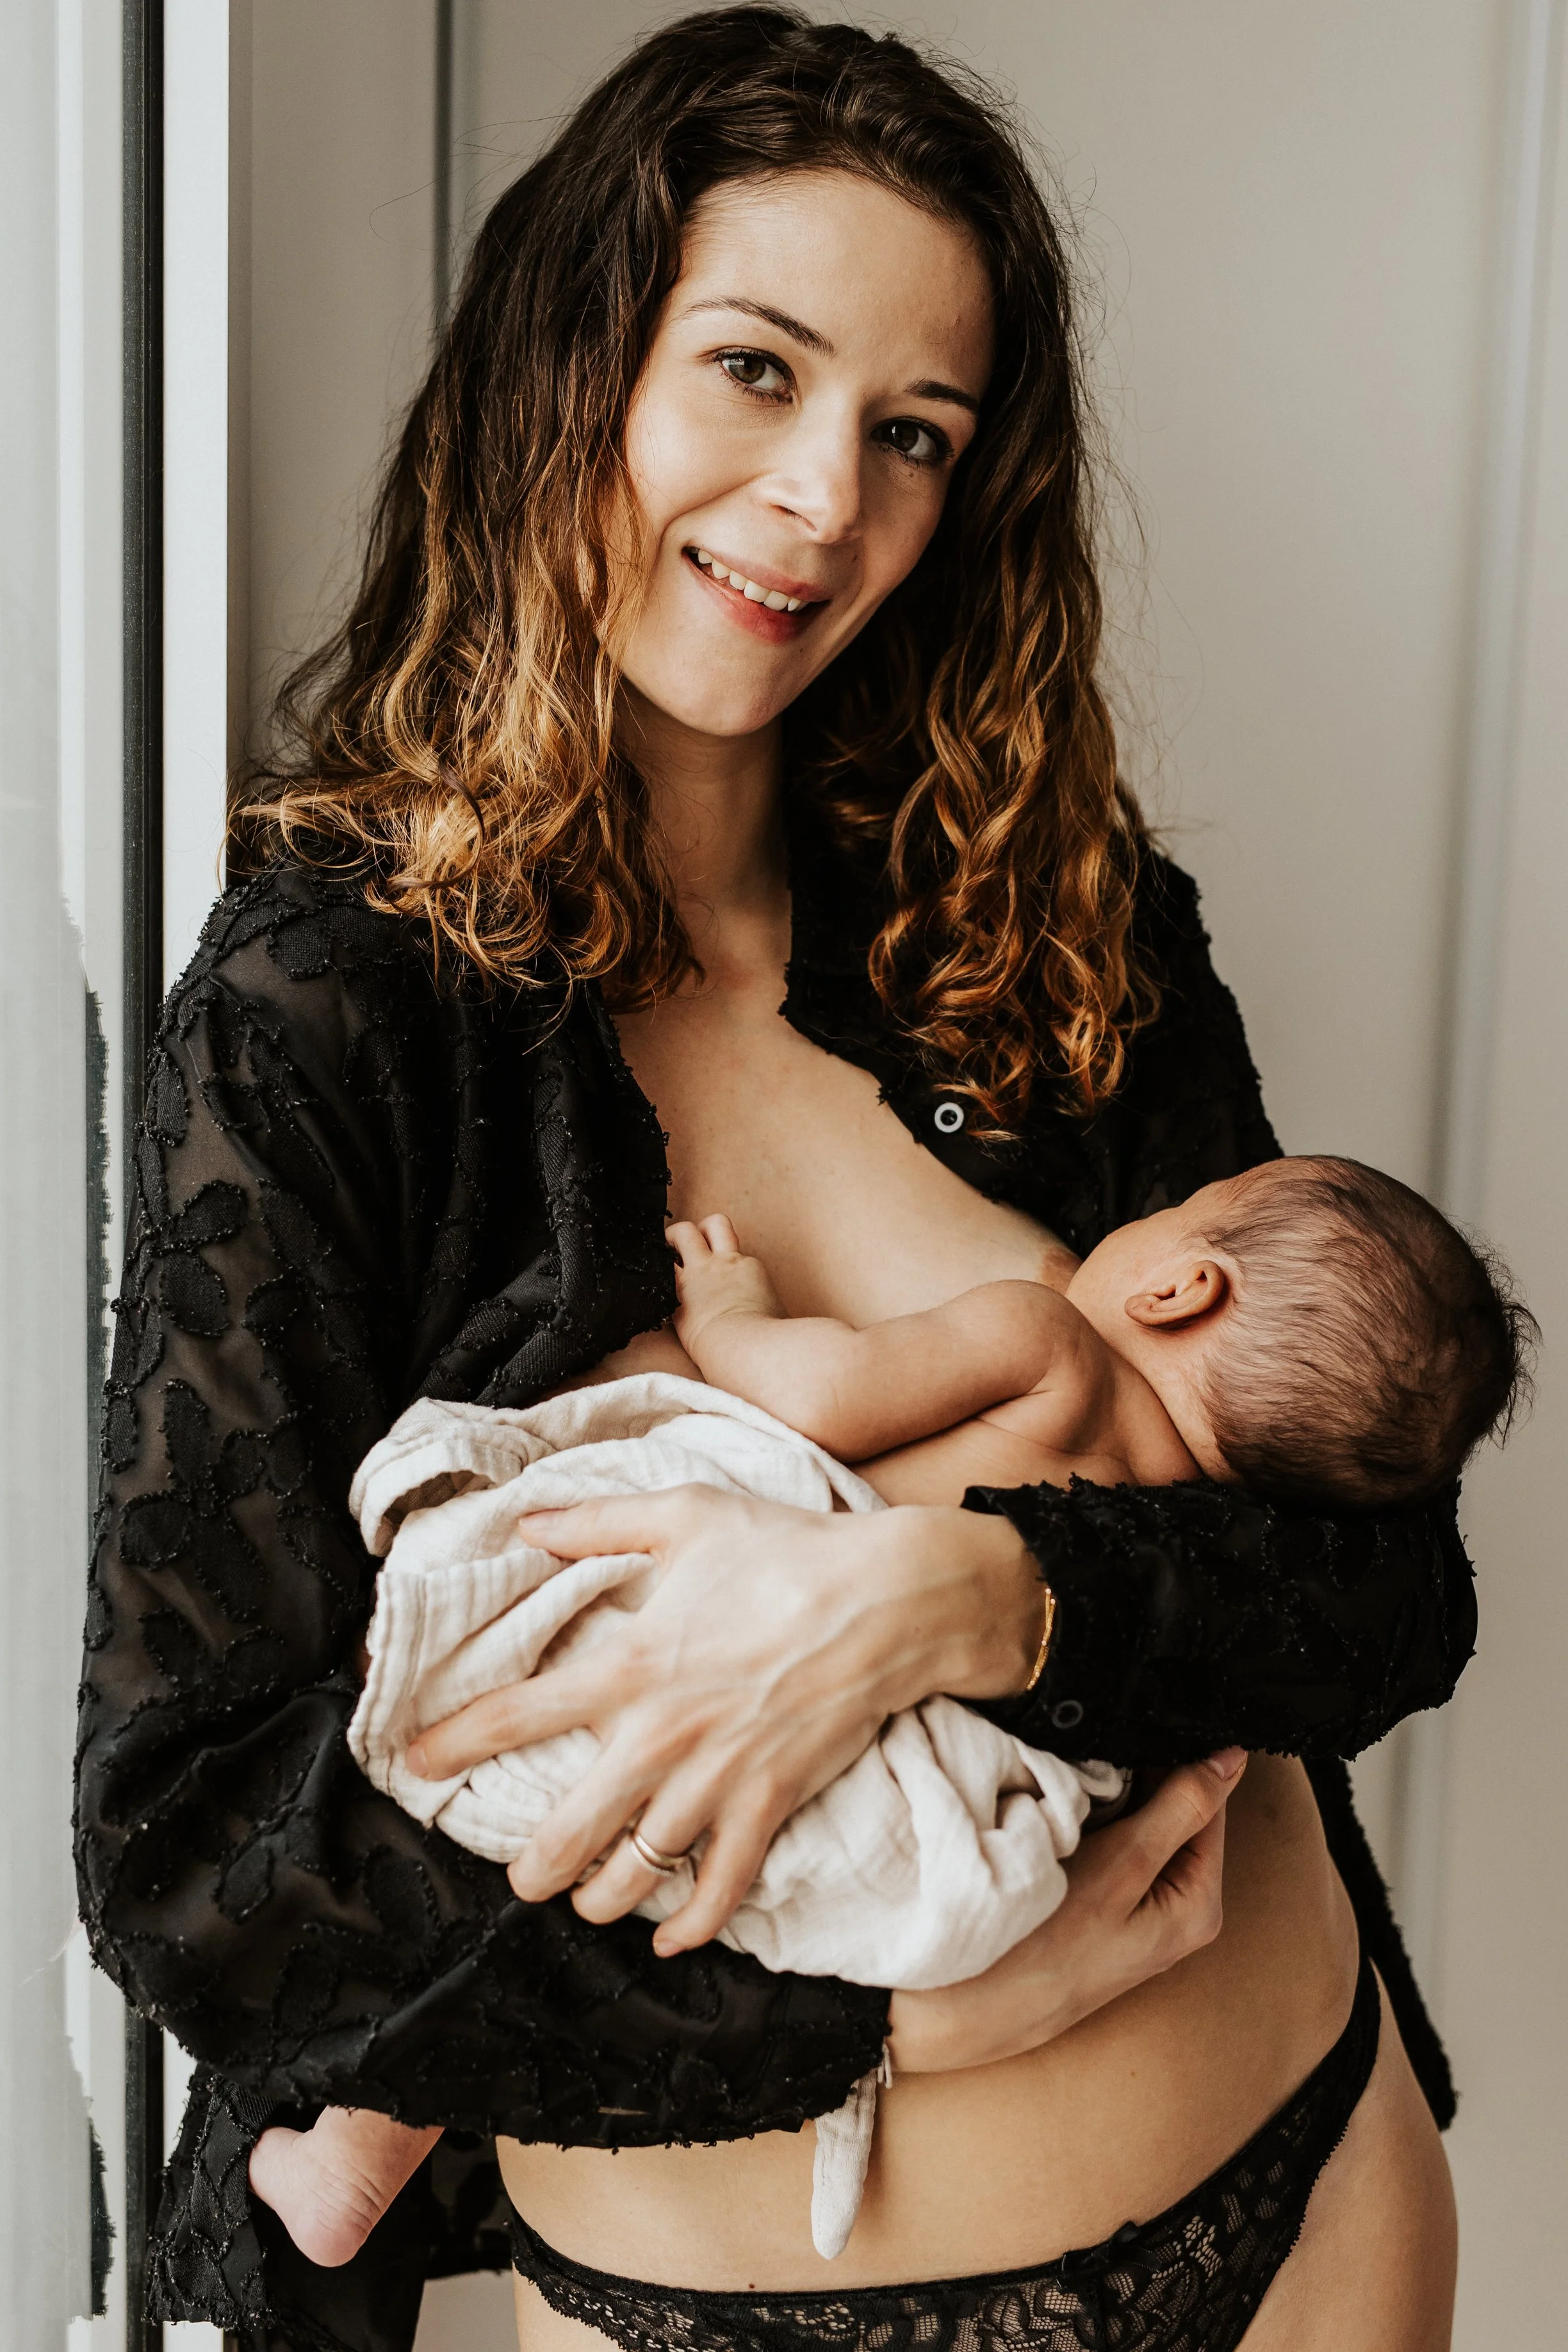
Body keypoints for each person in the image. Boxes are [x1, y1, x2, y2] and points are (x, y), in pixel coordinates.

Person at [73, 12, 1480, 2349]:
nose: (825, 496)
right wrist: (884, 2023)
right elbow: (203, 1853)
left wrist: (961, 1595)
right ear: (572, 370)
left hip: (1309, 2196)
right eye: (753, 368)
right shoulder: (336, 1003)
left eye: (911, 431)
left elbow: (1385, 1579)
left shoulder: (1051, 921)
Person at [245, 1152, 1528, 2278]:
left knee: (568, 1790)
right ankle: (373, 2137)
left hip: (761, 1687)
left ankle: (373, 2129)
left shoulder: (1052, 1342)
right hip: (943, 1806)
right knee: (643, 1864)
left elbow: (818, 1397)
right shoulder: (1204, 1524)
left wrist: (730, 1310)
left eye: (1183, 1202)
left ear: (1182, 1289)